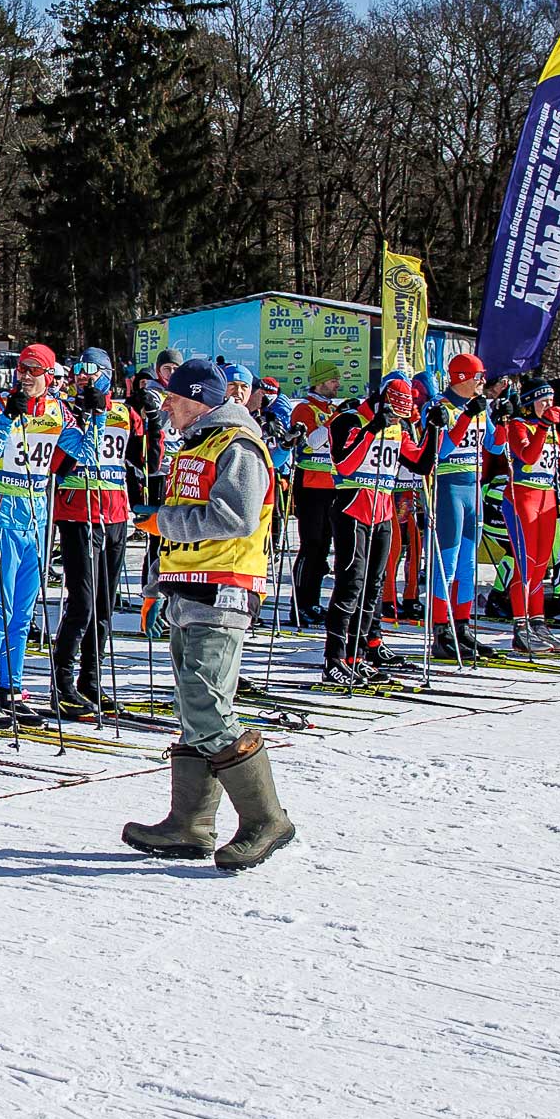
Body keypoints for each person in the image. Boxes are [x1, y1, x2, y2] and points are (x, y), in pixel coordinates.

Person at [121, 358, 295, 871]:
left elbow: (235, 518)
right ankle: (189, 824)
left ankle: (265, 818)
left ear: (197, 400)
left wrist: (163, 520)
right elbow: (181, 536)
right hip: (189, 590)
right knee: (192, 709)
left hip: (224, 591)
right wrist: (157, 586)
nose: (167, 407)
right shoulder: (196, 446)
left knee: (208, 709)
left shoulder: (237, 446)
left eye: (174, 399)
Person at [0, 342, 64, 727]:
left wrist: (98, 414)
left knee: (23, 613)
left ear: (48, 375)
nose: (26, 376)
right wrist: (4, 420)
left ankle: (12, 689)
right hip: (1, 513)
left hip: (36, 518)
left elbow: (84, 454)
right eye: (22, 368)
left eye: (34, 370)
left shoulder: (58, 410)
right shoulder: (1, 405)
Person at [318, 376, 427, 685]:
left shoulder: (396, 427)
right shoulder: (350, 420)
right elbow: (345, 465)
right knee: (351, 584)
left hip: (382, 511)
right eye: (393, 413)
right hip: (352, 509)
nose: (395, 420)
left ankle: (358, 655)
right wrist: (373, 429)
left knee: (373, 587)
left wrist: (434, 429)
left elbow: (421, 464)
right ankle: (333, 659)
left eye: (400, 416)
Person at [48, 354, 134, 716]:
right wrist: (87, 418)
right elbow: (58, 463)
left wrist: (154, 420)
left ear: (107, 375)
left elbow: (145, 455)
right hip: (78, 512)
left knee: (103, 605)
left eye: (90, 371)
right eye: (78, 372)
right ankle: (62, 682)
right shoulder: (67, 412)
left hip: (115, 513)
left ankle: (91, 679)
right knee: (82, 602)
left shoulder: (123, 413)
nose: (82, 378)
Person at [494, 382, 560, 652]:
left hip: (547, 499)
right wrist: (544, 426)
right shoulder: (518, 425)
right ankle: (520, 627)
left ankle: (538, 623)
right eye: (542, 401)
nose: (548, 405)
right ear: (529, 402)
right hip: (522, 498)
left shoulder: (551, 428)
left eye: (551, 400)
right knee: (526, 564)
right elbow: (529, 456)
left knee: (541, 566)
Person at [422, 354, 493, 660]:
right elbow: (440, 450)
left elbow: (496, 445)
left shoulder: (478, 406)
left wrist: (503, 417)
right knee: (446, 564)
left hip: (473, 489)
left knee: (468, 564)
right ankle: (441, 631)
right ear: (462, 377)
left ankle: (461, 627)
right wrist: (465, 418)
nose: (483, 381)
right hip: (448, 488)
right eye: (479, 376)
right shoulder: (440, 406)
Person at [283, 373, 346, 626]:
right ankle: (298, 605)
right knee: (310, 546)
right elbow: (312, 441)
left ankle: (313, 601)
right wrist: (336, 417)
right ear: (320, 382)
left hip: (331, 484)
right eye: (332, 381)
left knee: (322, 549)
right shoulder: (305, 409)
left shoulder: (328, 409)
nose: (337, 384)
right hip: (310, 484)